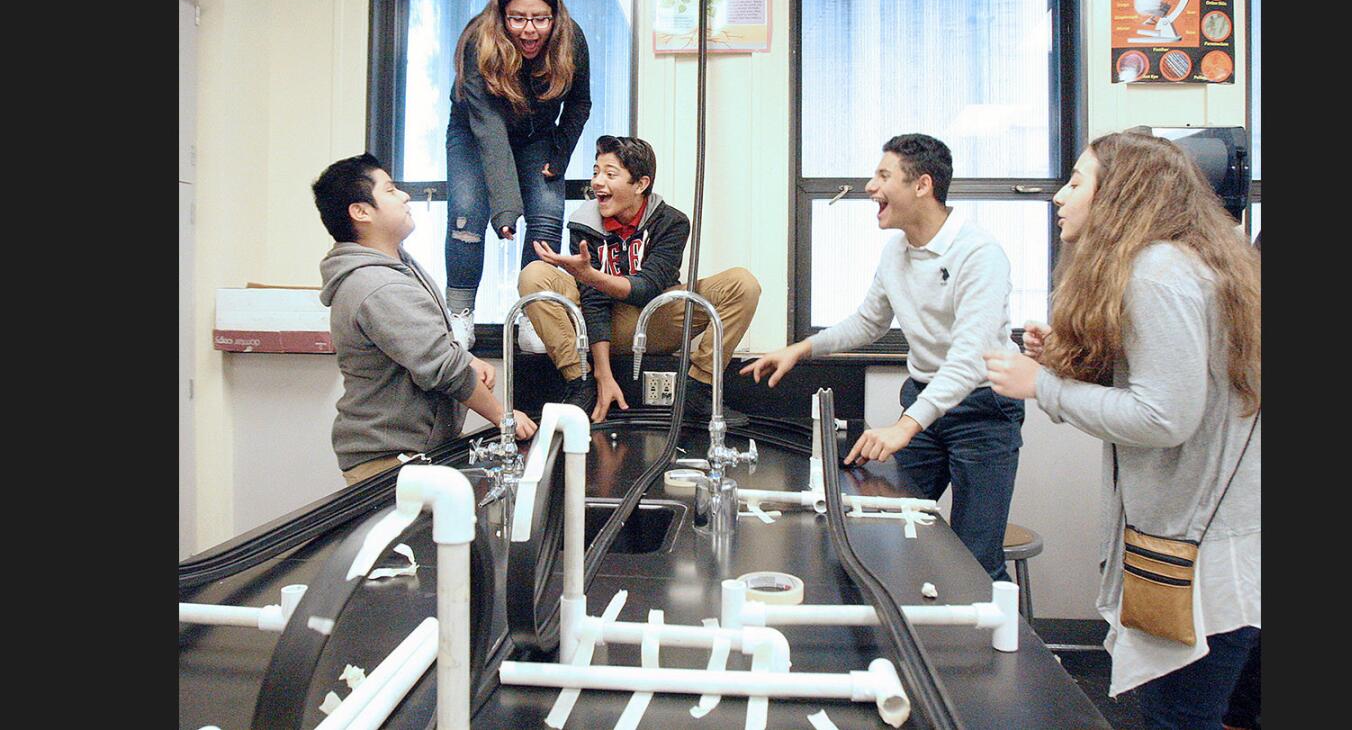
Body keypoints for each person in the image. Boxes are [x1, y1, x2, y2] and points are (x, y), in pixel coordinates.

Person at [983, 130, 1261, 728]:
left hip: (1201, 566)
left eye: (1078, 181)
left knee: (1178, 720)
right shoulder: (1191, 261)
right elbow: (1187, 383)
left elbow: (1165, 416)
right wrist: (1070, 361)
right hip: (1225, 554)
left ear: (1121, 195)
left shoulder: (1157, 272)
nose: (1060, 195)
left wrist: (1042, 386)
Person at [742, 133, 1025, 583]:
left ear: (922, 186)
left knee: (975, 561)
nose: (870, 187)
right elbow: (868, 323)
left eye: (883, 175)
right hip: (924, 401)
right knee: (890, 526)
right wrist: (801, 348)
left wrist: (904, 426)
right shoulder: (896, 252)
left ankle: (997, 651)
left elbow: (970, 360)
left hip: (983, 409)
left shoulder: (979, 254)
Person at [314, 153, 537, 486]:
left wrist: (469, 359)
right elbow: (442, 367)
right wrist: (503, 418)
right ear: (361, 212)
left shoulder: (395, 266)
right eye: (389, 190)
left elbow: (427, 342)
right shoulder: (377, 285)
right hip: (390, 463)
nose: (404, 196)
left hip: (409, 455)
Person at [519, 135, 761, 424]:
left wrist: (592, 276)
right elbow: (593, 301)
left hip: (653, 320)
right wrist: (601, 375)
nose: (597, 182)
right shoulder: (585, 223)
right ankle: (579, 382)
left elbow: (646, 288)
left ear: (641, 184)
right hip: (595, 324)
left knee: (742, 283)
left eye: (610, 174)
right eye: (596, 172)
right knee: (533, 274)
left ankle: (698, 388)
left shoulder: (672, 222)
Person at [445, 0, 592, 348]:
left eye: (540, 19)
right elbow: (489, 130)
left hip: (537, 134)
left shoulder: (571, 40)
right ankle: (460, 314)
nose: (530, 30)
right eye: (518, 19)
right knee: (467, 213)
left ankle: (533, 311)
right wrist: (505, 206)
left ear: (555, 15)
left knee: (546, 211)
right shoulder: (478, 41)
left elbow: (579, 104)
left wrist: (559, 155)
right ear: (502, 15)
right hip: (474, 132)